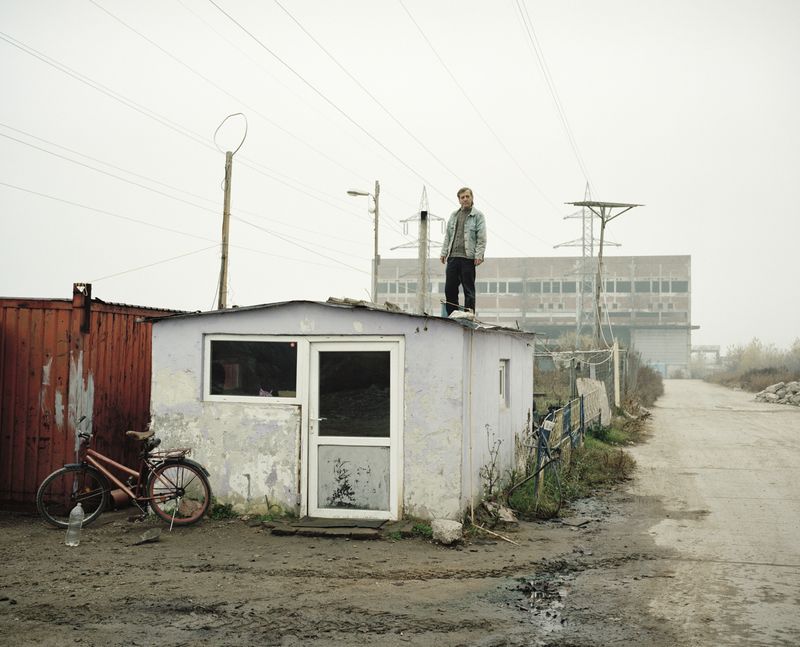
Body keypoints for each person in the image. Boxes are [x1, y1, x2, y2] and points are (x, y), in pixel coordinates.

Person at [440, 187, 487, 316]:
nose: (465, 199)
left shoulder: (478, 216)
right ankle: (452, 315)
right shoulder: (454, 215)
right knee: (450, 289)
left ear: (472, 198)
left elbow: (481, 238)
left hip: (468, 258)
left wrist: (479, 255)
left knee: (468, 290)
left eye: (467, 196)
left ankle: (469, 315)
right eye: (462, 197)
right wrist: (444, 252)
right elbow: (448, 236)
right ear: (459, 200)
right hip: (453, 257)